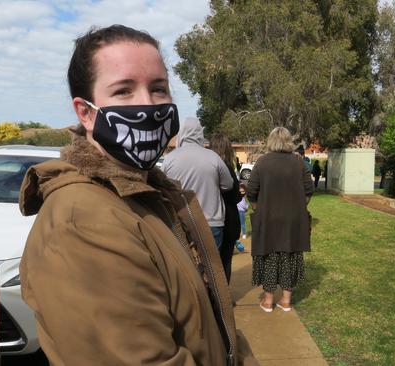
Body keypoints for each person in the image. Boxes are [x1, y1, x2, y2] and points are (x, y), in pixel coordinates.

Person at [18, 25, 256, 365]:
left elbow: (212, 320)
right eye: (124, 91)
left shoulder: (148, 194)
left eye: (158, 89)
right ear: (85, 112)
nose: (147, 104)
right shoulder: (81, 221)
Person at [247, 127, 313, 313]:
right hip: (292, 221)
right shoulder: (299, 162)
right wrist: (300, 207)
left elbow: (251, 191)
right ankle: (286, 301)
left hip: (268, 219)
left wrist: (257, 208)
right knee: (289, 256)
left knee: (269, 256)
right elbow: (309, 190)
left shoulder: (262, 162)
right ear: (289, 141)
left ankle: (268, 302)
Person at [162, 118, 234, 249]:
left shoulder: (169, 159)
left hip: (182, 222)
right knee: (212, 267)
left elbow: (163, 188)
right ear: (200, 133)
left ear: (181, 133)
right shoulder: (213, 157)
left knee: (186, 266)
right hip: (211, 222)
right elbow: (228, 184)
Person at [209, 133, 241, 283]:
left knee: (210, 262)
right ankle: (224, 299)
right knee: (225, 261)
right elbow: (234, 197)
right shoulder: (226, 167)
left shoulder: (207, 166)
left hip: (209, 217)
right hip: (227, 219)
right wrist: (241, 192)